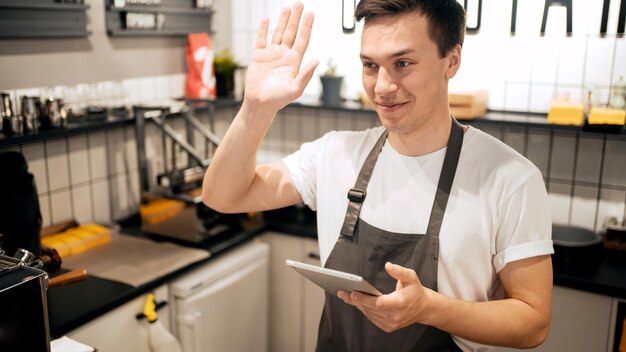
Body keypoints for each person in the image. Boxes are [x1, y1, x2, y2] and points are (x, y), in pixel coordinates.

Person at [202, 1, 554, 351]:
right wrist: (256, 108)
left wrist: (430, 309)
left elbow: (533, 322)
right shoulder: (335, 154)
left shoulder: (510, 179)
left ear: (452, 60)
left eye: (403, 63)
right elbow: (224, 197)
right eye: (371, 65)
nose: (383, 86)